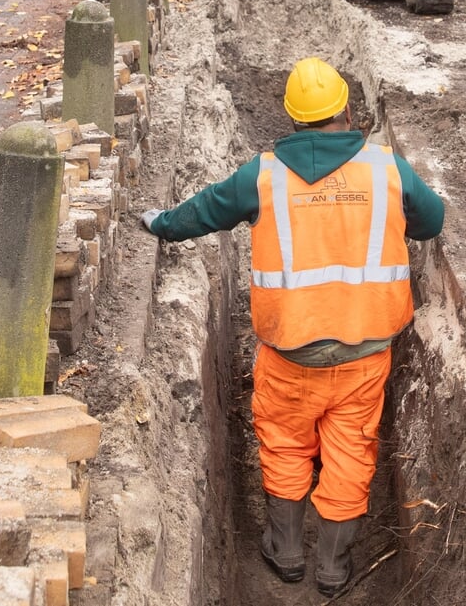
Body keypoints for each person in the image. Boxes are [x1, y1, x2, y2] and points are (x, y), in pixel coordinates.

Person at [139, 58, 445, 595]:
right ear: (347, 111)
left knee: (283, 444)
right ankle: (332, 567)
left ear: (292, 119)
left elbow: (201, 212)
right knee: (352, 449)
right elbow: (431, 220)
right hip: (364, 354)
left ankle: (285, 554)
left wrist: (159, 223)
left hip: (289, 355)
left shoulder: (263, 175)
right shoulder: (387, 169)